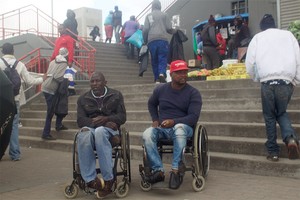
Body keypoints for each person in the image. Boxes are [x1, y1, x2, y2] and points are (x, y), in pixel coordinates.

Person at [245, 14, 300, 161]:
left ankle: (273, 152)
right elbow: (298, 57)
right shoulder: (289, 36)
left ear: (262, 27)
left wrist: (255, 77)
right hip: (286, 82)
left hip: (268, 82)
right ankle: (291, 139)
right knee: (281, 112)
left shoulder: (258, 38)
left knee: (270, 116)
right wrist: (296, 79)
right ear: (275, 25)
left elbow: (250, 62)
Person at [142, 60, 202, 189]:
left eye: (185, 72)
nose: (183, 75)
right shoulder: (161, 89)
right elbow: (151, 104)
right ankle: (158, 171)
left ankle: (176, 171)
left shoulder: (193, 93)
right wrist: (155, 119)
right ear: (172, 74)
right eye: (179, 72)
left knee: (179, 129)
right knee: (147, 134)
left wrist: (174, 122)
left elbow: (193, 117)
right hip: (163, 127)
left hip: (184, 128)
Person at [76, 71, 126, 198]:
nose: (95, 84)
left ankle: (109, 179)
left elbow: (122, 116)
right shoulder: (83, 99)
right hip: (92, 128)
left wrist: (107, 119)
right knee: (83, 134)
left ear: (105, 83)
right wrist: (100, 122)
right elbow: (80, 121)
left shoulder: (116, 95)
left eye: (98, 81)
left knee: (100, 132)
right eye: (92, 81)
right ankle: (91, 180)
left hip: (109, 129)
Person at [0, 43, 45, 161]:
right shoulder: (20, 64)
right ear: (13, 51)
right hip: (15, 99)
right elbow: (30, 81)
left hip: (1, 100)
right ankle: (15, 154)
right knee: (14, 126)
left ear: (2, 51)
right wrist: (42, 79)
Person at [142, 0, 174, 83]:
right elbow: (169, 28)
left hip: (151, 40)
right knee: (162, 57)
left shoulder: (148, 16)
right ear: (160, 6)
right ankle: (161, 74)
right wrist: (175, 31)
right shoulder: (164, 15)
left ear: (152, 6)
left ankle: (156, 78)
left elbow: (145, 29)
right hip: (162, 39)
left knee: (154, 59)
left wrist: (145, 40)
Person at [41, 47, 69, 140]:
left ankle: (58, 124)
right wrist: (65, 80)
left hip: (45, 85)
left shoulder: (53, 61)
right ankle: (46, 133)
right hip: (52, 87)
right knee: (50, 112)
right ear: (66, 55)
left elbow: (50, 73)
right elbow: (58, 76)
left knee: (55, 106)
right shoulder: (64, 63)